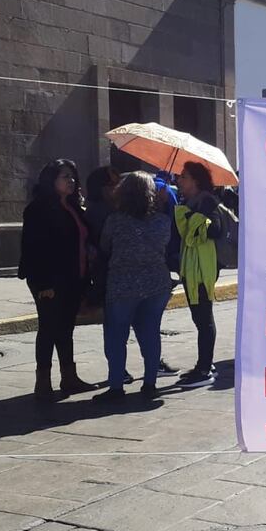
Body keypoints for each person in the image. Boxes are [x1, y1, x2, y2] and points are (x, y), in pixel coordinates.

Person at [18, 159, 96, 400]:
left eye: (73, 177)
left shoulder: (73, 207)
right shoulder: (38, 209)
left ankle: (69, 376)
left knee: (66, 328)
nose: (71, 181)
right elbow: (33, 248)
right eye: (65, 176)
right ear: (51, 180)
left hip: (74, 276)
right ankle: (43, 381)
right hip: (49, 279)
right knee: (49, 328)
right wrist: (44, 284)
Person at [96, 172, 173, 401]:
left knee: (116, 336)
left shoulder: (115, 220)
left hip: (122, 285)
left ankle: (116, 386)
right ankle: (150, 383)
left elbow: (105, 246)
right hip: (157, 284)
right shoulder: (163, 221)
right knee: (150, 334)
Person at [175, 161, 222, 388]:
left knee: (204, 319)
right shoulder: (189, 202)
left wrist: (196, 216)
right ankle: (204, 363)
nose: (179, 181)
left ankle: (204, 369)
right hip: (191, 269)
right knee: (198, 317)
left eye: (184, 177)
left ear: (196, 180)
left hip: (203, 270)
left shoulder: (208, 203)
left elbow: (213, 230)